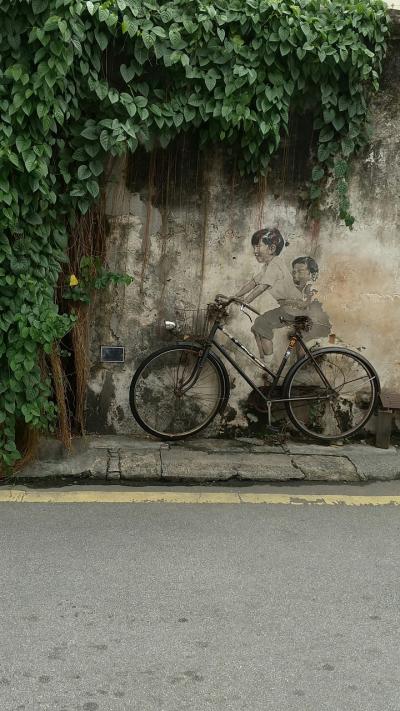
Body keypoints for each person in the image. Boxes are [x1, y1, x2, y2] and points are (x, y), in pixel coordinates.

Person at [235, 228, 306, 360]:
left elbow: (262, 287)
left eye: (258, 246)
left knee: (261, 323)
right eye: (254, 247)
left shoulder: (275, 265)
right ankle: (266, 362)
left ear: (272, 248)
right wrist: (236, 296)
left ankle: (269, 368)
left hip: (293, 307)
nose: (255, 251)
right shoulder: (268, 266)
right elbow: (254, 282)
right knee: (258, 326)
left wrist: (246, 301)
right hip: (290, 307)